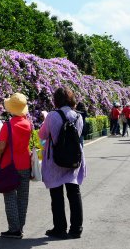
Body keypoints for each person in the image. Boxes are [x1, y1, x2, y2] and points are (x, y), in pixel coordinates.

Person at [39, 87, 85, 239]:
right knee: (74, 192)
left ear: (56, 99)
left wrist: (44, 119)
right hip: (74, 158)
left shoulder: (52, 115)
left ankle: (59, 228)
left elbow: (43, 135)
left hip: (56, 159)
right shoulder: (78, 116)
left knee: (56, 194)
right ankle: (76, 228)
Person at [0, 93, 32, 239]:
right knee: (23, 197)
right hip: (25, 163)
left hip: (9, 164)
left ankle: (14, 229)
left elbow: (1, 146)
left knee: (10, 195)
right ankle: (20, 227)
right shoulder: (28, 124)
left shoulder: (8, 125)